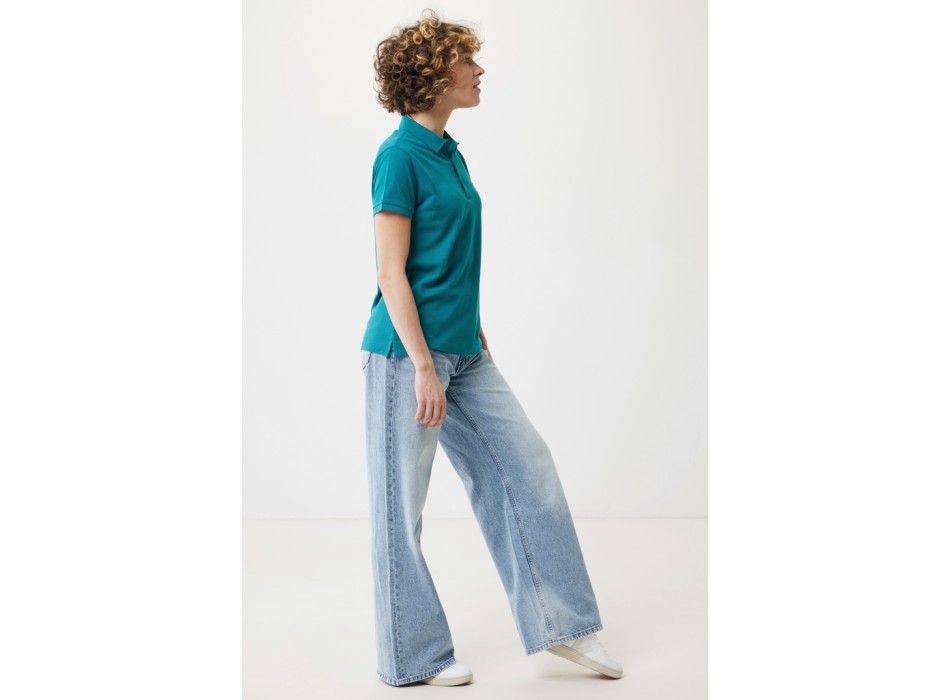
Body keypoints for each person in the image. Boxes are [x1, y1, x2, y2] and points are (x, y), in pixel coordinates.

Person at [360, 8, 623, 687]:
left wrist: (471, 329)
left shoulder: (448, 151)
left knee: (526, 464)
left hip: (465, 351)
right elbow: (391, 272)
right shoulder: (398, 156)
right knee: (401, 508)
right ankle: (411, 658)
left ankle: (563, 625)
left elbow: (449, 256)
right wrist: (424, 365)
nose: (479, 71)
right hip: (405, 356)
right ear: (432, 74)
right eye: (466, 61)